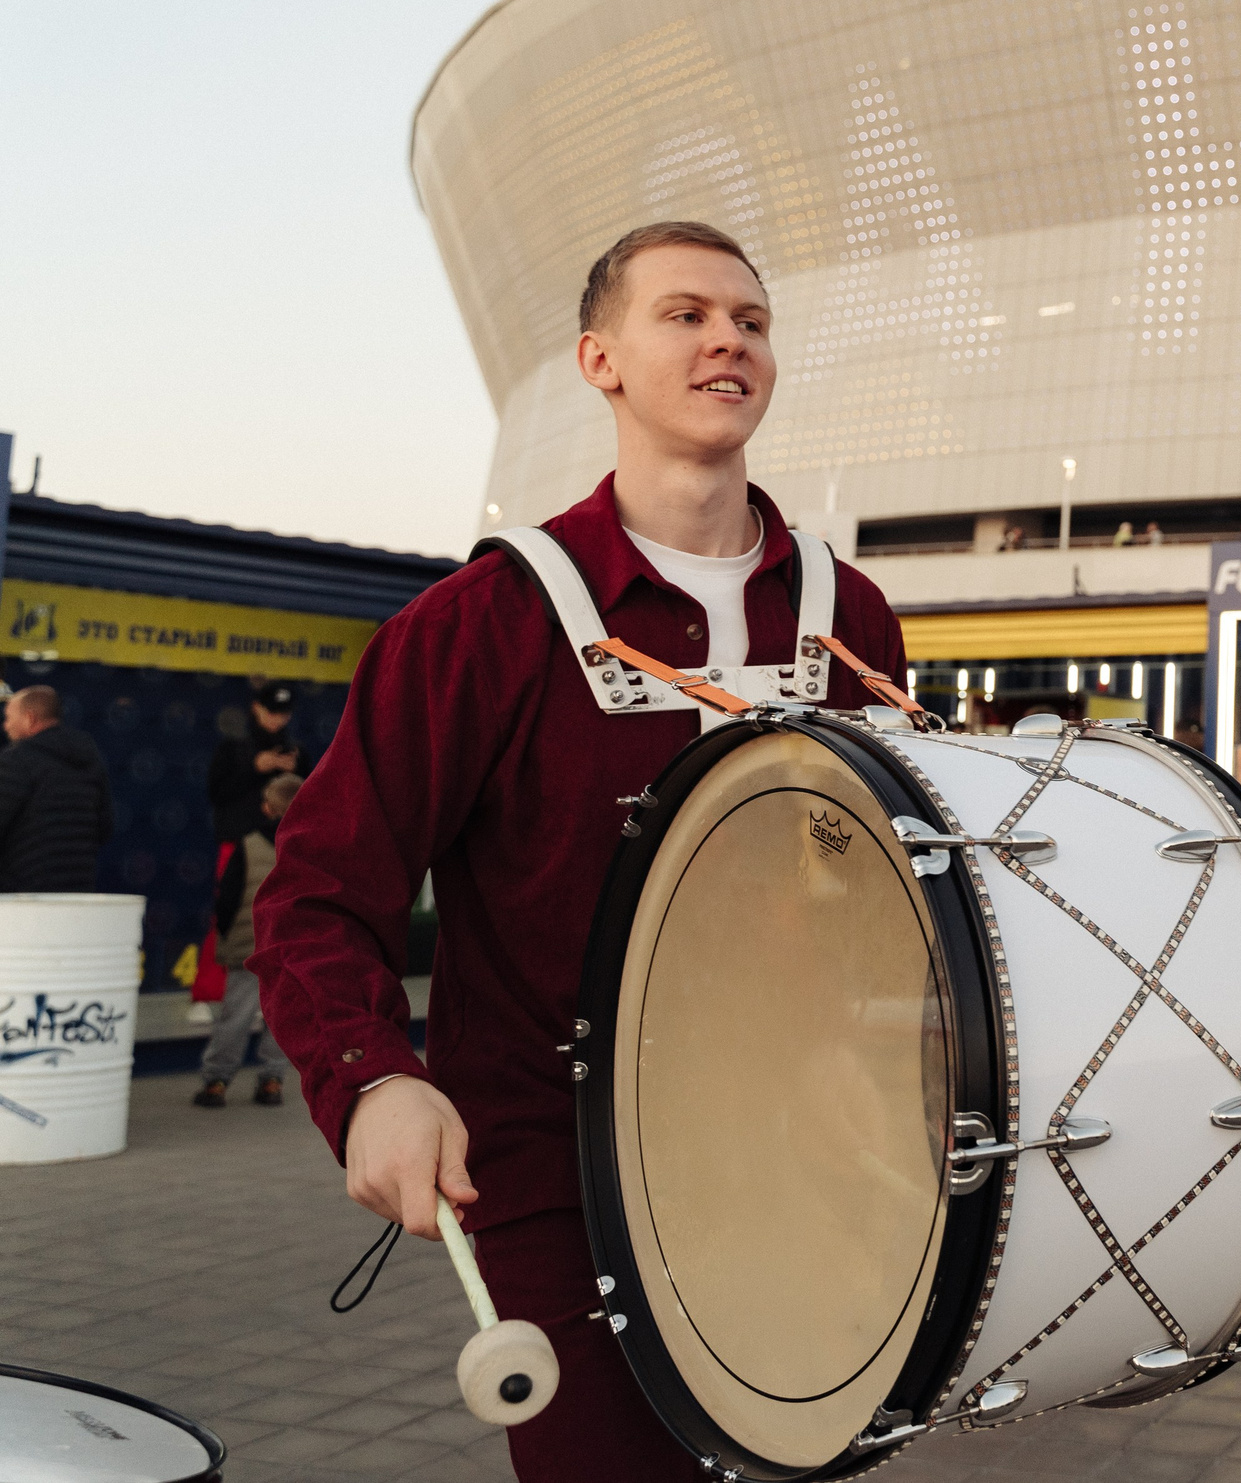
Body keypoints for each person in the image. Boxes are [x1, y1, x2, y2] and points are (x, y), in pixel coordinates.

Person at [251, 221, 907, 1483]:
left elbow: (886, 888)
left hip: (811, 1157)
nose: (728, 338)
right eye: (686, 314)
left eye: (752, 321)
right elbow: (322, 895)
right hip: (562, 1170)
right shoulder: (480, 623)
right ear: (599, 360)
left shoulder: (851, 618)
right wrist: (373, 1082)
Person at [194, 772, 300, 1109]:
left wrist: (225, 936)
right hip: (291, 949)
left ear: (268, 807)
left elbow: (227, 897)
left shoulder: (247, 843)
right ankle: (272, 1081)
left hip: (249, 946)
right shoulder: (312, 845)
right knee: (282, 1017)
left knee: (235, 1016)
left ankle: (216, 1082)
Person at [0, 686, 114, 894]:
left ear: (29, 718)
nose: (5, 726)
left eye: (8, 718)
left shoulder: (15, 761)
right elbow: (105, 827)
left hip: (22, 900)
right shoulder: (90, 760)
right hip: (77, 894)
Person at [207, 681, 305, 844]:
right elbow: (217, 795)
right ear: (256, 707)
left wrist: (294, 775)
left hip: (281, 843)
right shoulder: (232, 747)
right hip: (238, 839)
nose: (277, 720)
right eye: (272, 712)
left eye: (284, 714)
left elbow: (308, 807)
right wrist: (254, 767)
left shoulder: (296, 752)